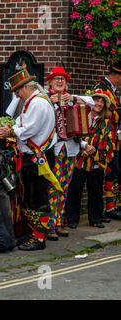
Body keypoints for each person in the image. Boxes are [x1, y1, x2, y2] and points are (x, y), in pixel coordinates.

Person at [0, 69, 60, 251]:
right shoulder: (34, 101)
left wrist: (11, 131)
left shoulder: (37, 103)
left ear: (25, 87)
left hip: (38, 157)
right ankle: (34, 234)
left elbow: (30, 128)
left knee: (38, 197)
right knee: (31, 196)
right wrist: (12, 126)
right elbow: (23, 122)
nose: (17, 95)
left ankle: (39, 238)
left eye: (17, 91)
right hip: (34, 156)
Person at [45, 66, 97, 240]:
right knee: (54, 187)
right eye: (56, 78)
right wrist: (50, 102)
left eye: (63, 79)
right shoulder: (44, 99)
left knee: (64, 187)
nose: (60, 81)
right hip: (54, 149)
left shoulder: (72, 100)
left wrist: (73, 97)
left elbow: (92, 102)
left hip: (71, 150)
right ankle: (50, 224)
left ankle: (59, 221)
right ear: (50, 82)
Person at [65, 89, 114, 229]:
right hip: (79, 160)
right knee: (74, 189)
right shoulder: (81, 116)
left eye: (101, 101)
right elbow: (74, 133)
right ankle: (72, 218)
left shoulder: (105, 122)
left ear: (104, 105)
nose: (98, 103)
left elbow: (107, 142)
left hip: (96, 162)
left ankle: (96, 218)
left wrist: (92, 152)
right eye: (96, 100)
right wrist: (83, 148)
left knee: (96, 190)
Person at [91, 61, 121, 220]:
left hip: (113, 138)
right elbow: (104, 112)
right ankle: (109, 208)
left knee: (114, 171)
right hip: (102, 139)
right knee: (109, 171)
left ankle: (112, 207)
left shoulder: (112, 89)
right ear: (116, 76)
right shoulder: (101, 88)